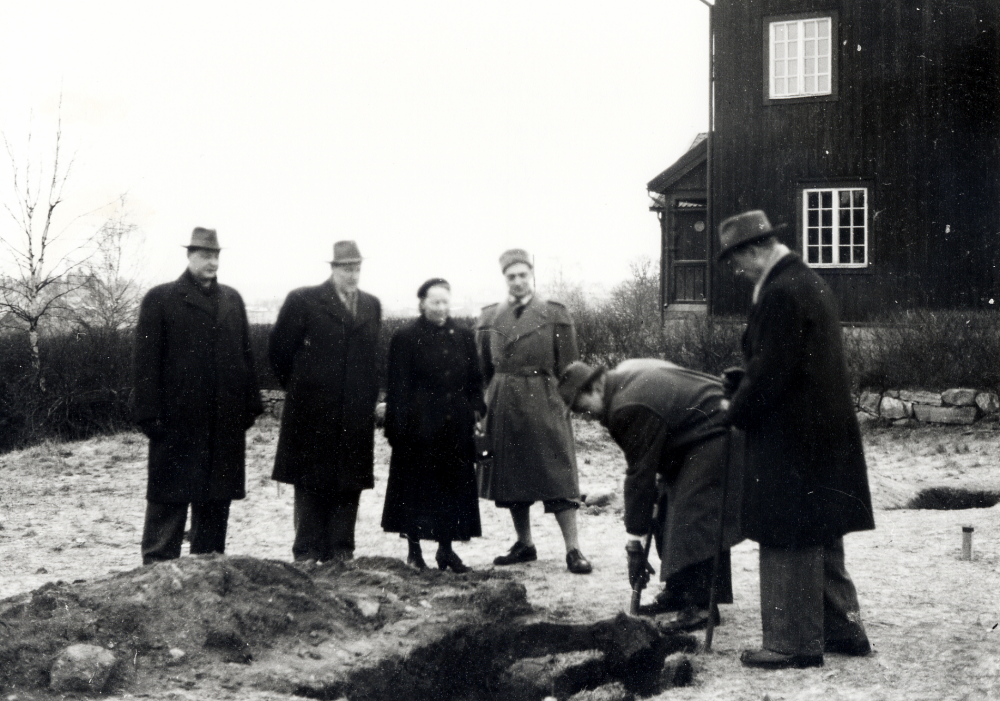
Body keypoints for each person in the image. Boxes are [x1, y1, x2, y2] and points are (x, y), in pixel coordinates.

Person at [717, 210, 874, 669]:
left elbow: (772, 374)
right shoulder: (807, 281)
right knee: (821, 529)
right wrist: (745, 379)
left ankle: (791, 643)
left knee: (787, 532)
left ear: (753, 250)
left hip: (793, 438)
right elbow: (787, 360)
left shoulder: (781, 292)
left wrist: (737, 408)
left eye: (734, 260)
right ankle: (844, 629)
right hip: (821, 434)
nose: (735, 270)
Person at [559, 359, 743, 630]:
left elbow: (639, 477)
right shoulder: (620, 385)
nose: (584, 417)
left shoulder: (627, 406)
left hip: (720, 429)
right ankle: (680, 591)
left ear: (596, 386)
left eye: (581, 407)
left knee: (693, 509)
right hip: (695, 432)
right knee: (667, 503)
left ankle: (702, 605)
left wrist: (634, 543)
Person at [133, 227, 263, 565]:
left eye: (216, 254)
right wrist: (149, 415)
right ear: (189, 256)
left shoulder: (232, 299)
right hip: (177, 422)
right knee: (169, 499)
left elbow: (245, 355)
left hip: (223, 424)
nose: (212, 261)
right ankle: (158, 572)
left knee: (215, 501)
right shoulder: (161, 299)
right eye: (205, 254)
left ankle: (208, 570)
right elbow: (145, 362)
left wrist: (249, 407)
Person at [476, 248, 592, 574]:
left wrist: (566, 406)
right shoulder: (487, 318)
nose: (517, 282)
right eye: (511, 276)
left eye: (522, 275)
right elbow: (482, 370)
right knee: (511, 474)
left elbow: (570, 366)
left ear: (532, 276)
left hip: (544, 398)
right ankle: (524, 543)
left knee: (557, 472)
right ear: (504, 279)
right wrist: (484, 406)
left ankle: (573, 549)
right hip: (502, 401)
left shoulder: (555, 314)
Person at [269, 240, 382, 564]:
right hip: (312, 413)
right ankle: (306, 553)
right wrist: (305, 388)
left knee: (349, 484)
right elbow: (279, 351)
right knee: (310, 482)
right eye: (347, 268)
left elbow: (372, 358)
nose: (353, 274)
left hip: (354, 414)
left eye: (357, 267)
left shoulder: (371, 305)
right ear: (333, 269)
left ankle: (341, 553)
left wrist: (365, 396)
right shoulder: (304, 300)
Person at [380, 278, 486, 573]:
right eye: (435, 302)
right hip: (418, 431)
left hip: (455, 428)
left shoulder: (463, 335)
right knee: (415, 490)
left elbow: (475, 380)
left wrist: (476, 408)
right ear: (422, 303)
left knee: (452, 490)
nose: (441, 308)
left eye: (445, 302)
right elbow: (398, 388)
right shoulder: (406, 337)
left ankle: (446, 550)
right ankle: (414, 551)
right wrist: (397, 430)